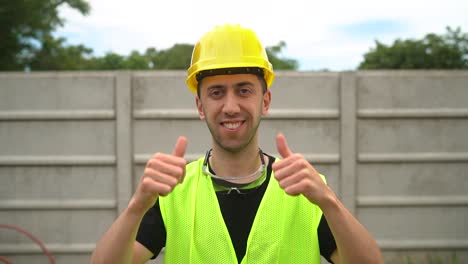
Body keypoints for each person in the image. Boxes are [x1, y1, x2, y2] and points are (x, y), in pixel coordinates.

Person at [91, 24, 383, 264]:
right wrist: (136, 207)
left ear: (265, 101)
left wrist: (329, 201)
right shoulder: (173, 192)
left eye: (244, 90)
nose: (231, 107)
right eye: (217, 93)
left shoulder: (306, 189)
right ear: (200, 106)